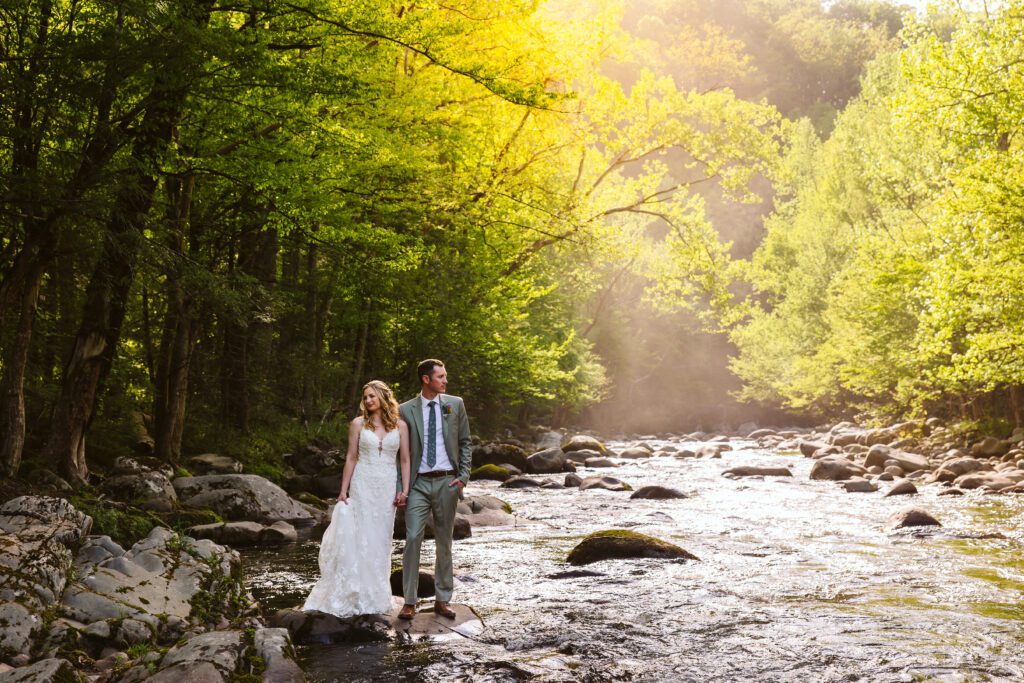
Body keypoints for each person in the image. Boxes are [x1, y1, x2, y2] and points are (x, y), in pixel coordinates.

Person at [302, 380, 411, 617]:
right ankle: (356, 593)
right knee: (361, 536)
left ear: (383, 397)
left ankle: (377, 594)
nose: (368, 400)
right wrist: (343, 490)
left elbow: (404, 460)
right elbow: (351, 457)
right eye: (365, 397)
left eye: (372, 396)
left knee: (381, 540)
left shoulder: (400, 426)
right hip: (362, 485)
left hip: (386, 488)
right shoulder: (358, 424)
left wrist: (405, 490)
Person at [397, 358, 472, 620]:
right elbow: (400, 453)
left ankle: (443, 599)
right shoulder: (405, 410)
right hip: (417, 483)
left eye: (445, 375)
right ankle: (409, 601)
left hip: (447, 482)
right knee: (413, 537)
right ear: (426, 379)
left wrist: (462, 477)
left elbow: (465, 443)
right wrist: (401, 487)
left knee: (444, 540)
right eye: (440, 376)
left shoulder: (455, 404)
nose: (445, 380)